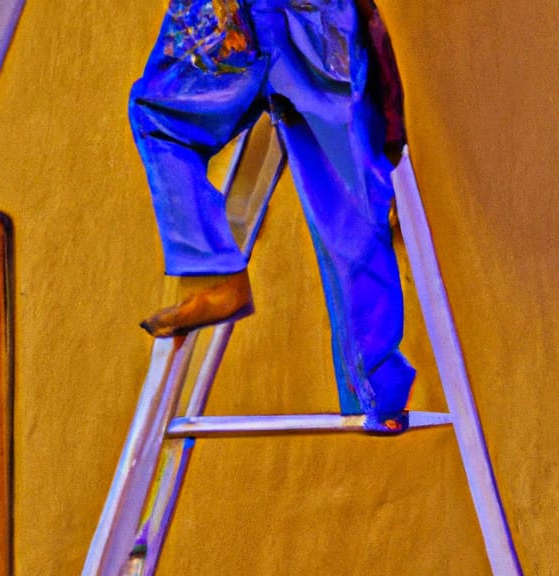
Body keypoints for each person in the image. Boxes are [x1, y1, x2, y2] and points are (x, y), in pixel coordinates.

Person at [129, 0, 413, 432]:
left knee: (160, 118)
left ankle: (214, 272)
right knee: (346, 196)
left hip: (243, 16)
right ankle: (378, 391)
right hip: (312, 18)